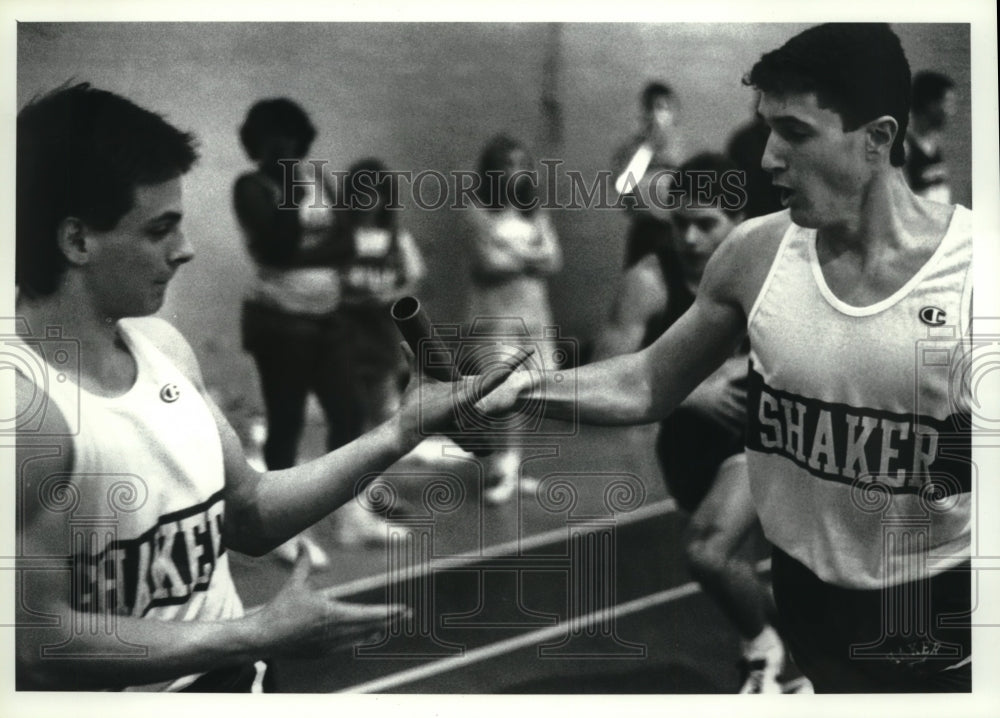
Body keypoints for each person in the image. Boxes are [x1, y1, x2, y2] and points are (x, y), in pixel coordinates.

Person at [483, 24, 972, 693]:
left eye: (795, 133)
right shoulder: (753, 251)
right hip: (807, 594)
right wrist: (521, 389)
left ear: (879, 139)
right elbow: (647, 378)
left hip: (931, 605)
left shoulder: (978, 271)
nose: (768, 159)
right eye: (766, 129)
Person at [13, 82, 523, 692]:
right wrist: (254, 632)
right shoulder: (28, 413)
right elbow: (36, 645)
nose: (187, 249)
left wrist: (400, 432)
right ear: (76, 241)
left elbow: (249, 510)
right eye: (160, 230)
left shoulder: (165, 350)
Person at [594, 152, 796, 693]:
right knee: (740, 565)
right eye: (680, 222)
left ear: (738, 222)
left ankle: (764, 655)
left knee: (708, 551)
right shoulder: (650, 280)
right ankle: (790, 655)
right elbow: (608, 374)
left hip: (763, 437)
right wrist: (689, 388)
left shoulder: (774, 266)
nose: (689, 237)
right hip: (688, 449)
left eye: (706, 224)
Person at [233, 98, 353, 564]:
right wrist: (289, 194)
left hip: (327, 317)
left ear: (301, 137)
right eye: (271, 136)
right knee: (287, 422)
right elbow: (277, 248)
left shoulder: (319, 177)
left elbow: (345, 245)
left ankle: (342, 507)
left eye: (289, 134)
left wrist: (306, 250)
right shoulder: (250, 186)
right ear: (257, 143)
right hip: (278, 322)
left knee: (350, 413)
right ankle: (284, 526)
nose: (282, 145)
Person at [330, 158, 426, 543]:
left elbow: (414, 277)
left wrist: (390, 294)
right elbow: (332, 282)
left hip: (382, 337)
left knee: (383, 418)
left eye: (377, 192)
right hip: (348, 337)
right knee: (350, 423)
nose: (369, 200)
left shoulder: (395, 237)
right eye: (362, 192)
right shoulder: (340, 239)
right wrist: (356, 294)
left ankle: (374, 491)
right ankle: (351, 510)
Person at [465, 134, 563, 504]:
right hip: (495, 316)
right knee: (499, 392)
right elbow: (489, 263)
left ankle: (511, 464)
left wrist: (514, 252)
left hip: (533, 314)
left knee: (526, 392)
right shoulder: (477, 211)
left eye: (521, 164)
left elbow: (554, 260)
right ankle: (497, 466)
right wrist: (530, 255)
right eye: (506, 165)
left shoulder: (534, 212)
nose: (514, 172)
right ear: (491, 170)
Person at [612, 81, 687, 267]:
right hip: (645, 233)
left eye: (664, 108)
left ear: (674, 113)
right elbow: (624, 186)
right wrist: (649, 147)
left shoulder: (682, 150)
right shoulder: (630, 151)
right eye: (651, 108)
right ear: (643, 113)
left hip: (675, 233)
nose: (657, 116)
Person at [904, 70, 957, 203]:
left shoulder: (937, 147)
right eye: (947, 103)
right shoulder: (904, 150)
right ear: (931, 104)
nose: (952, 111)